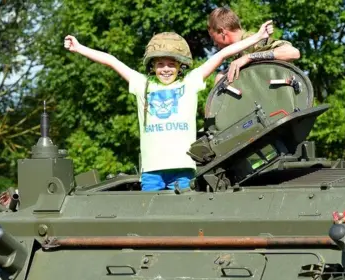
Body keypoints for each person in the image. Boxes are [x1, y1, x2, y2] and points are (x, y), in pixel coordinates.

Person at [64, 20, 275, 191]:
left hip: (183, 170)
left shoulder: (190, 82)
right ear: (153, 67)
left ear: (179, 67)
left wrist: (257, 37)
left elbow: (221, 56)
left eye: (171, 64)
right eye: (160, 64)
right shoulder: (142, 85)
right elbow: (111, 60)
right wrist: (79, 48)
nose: (166, 69)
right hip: (152, 171)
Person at [207, 7, 300, 84]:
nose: (214, 43)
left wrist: (248, 57)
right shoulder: (238, 54)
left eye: (213, 37)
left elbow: (293, 53)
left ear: (222, 31)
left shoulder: (251, 41)